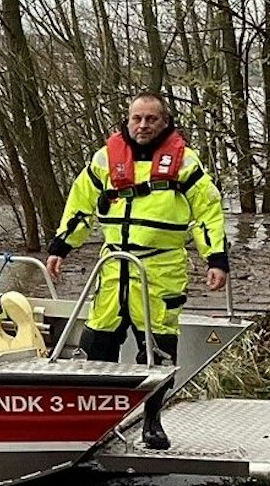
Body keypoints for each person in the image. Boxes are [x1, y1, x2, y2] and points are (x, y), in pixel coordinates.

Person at [44, 93, 228, 446]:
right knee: (97, 343)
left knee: (157, 350)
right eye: (137, 119)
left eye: (151, 119)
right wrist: (61, 247)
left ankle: (152, 422)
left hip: (160, 267)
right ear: (127, 121)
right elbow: (79, 204)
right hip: (114, 266)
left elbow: (208, 211)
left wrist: (216, 259)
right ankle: (98, 424)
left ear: (165, 122)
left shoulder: (185, 163)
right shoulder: (104, 160)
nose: (142, 125)